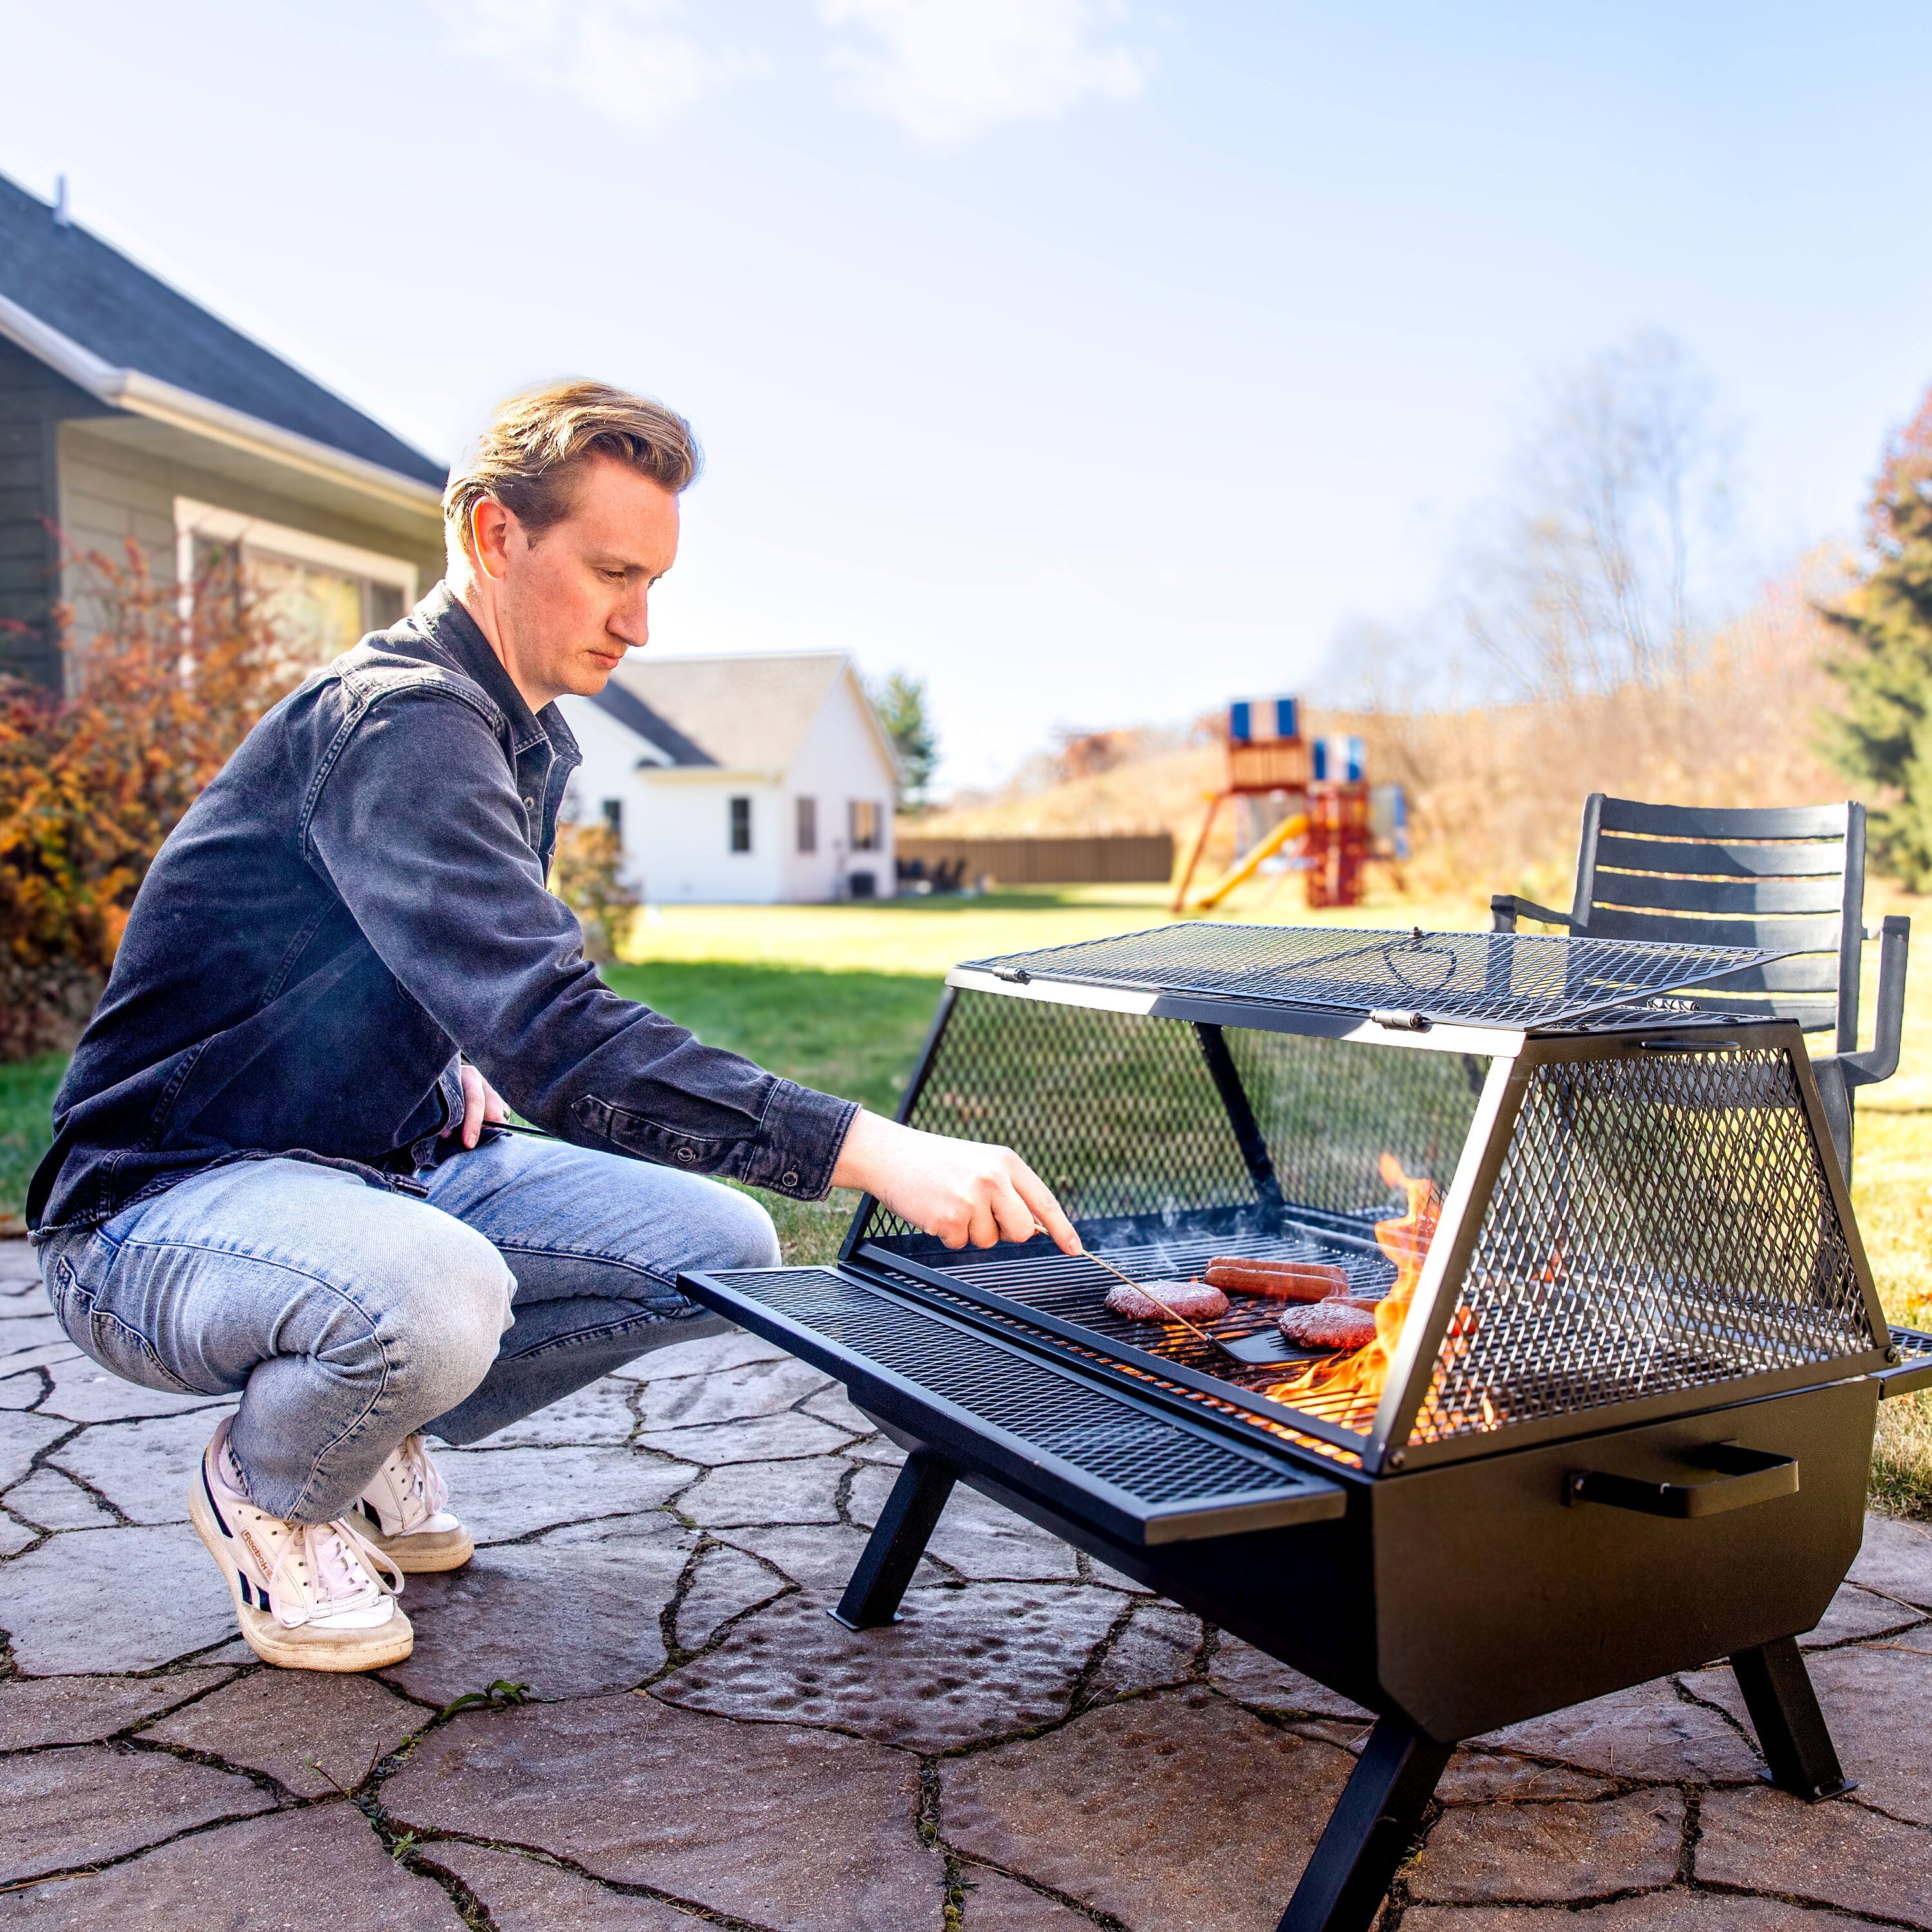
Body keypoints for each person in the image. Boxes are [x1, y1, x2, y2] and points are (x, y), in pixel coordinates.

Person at [27, 381, 1078, 1672]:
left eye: (657, 582)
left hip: (378, 1163)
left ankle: (368, 1428)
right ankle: (269, 1484)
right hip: (160, 1206)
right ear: (493, 535)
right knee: (436, 1293)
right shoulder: (403, 719)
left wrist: (444, 1049)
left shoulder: (513, 734)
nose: (640, 623)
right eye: (612, 574)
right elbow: (564, 1035)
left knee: (719, 1238)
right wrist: (875, 1151)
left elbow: (432, 962)